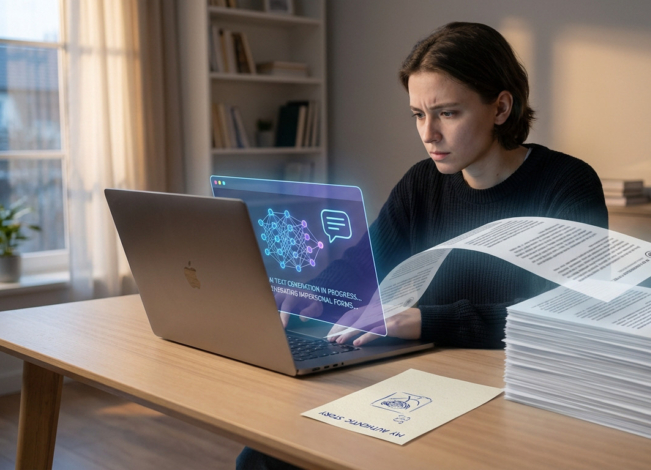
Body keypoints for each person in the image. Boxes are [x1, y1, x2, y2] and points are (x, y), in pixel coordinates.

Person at [236, 21, 607, 470]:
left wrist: (423, 320)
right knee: (262, 458)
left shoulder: (566, 184)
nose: (428, 133)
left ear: (501, 108)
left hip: (518, 394)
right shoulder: (422, 182)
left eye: (447, 113)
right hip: (422, 385)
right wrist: (315, 292)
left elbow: (564, 317)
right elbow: (363, 262)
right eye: (418, 114)